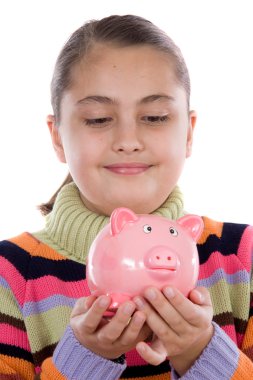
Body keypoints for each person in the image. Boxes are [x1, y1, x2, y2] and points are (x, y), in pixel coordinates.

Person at [0, 14, 252, 380]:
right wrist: (83, 361)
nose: (128, 140)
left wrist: (202, 352)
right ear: (57, 137)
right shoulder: (10, 275)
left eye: (154, 116)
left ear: (188, 133)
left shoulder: (240, 258)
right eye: (99, 119)